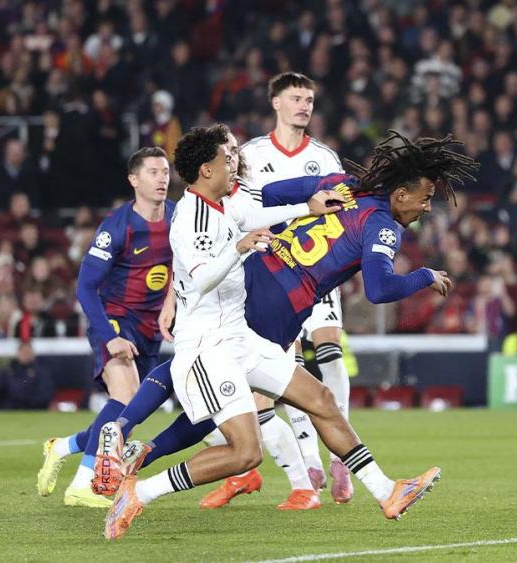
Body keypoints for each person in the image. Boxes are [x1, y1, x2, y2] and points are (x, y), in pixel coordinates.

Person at [104, 126, 458, 540]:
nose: (428, 208)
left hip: (245, 322)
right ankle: (137, 475)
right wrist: (423, 275)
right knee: (244, 449)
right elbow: (379, 288)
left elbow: (266, 202)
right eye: (426, 197)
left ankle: (386, 491)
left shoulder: (335, 185)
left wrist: (307, 208)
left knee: (319, 399)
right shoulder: (381, 224)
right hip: (224, 334)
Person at [208, 71, 355, 507]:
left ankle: (341, 453)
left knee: (329, 350)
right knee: (283, 365)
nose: (304, 106)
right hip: (272, 270)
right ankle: (309, 458)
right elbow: (239, 205)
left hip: (318, 268)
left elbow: (346, 211)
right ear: (276, 103)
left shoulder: (326, 158)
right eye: (296, 98)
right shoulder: (251, 153)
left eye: (309, 99)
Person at [36, 147, 176, 509]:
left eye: (165, 172)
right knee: (125, 398)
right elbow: (85, 286)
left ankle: (63, 446)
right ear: (134, 180)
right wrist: (110, 335)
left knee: (130, 414)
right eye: (153, 172)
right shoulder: (118, 226)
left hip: (150, 330)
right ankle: (82, 486)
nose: (162, 178)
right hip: (115, 321)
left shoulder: (178, 217)